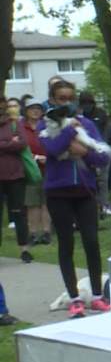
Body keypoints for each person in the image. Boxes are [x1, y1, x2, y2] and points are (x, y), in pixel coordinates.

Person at [40, 80, 111, 319]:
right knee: (66, 244)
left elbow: (102, 158)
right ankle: (74, 298)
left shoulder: (88, 124)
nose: (67, 102)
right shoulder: (46, 124)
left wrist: (85, 152)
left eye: (71, 98)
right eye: (62, 98)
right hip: (58, 192)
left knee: (91, 242)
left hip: (84, 191)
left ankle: (98, 296)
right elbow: (53, 149)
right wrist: (70, 129)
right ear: (52, 100)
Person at [0, 103, 31, 263]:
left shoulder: (14, 123)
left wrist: (7, 145)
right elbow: (15, 144)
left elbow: (22, 143)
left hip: (15, 176)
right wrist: (10, 143)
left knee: (19, 213)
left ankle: (24, 249)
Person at [19, 101, 50, 246]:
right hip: (30, 170)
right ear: (26, 111)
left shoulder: (47, 125)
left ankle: (46, 232)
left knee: (46, 202)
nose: (35, 111)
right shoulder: (21, 127)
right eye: (32, 108)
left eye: (38, 108)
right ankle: (33, 233)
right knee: (32, 203)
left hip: (48, 168)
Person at [78, 92, 111, 218]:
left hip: (100, 150)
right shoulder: (79, 117)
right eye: (84, 103)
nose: (87, 106)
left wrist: (101, 146)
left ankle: (104, 205)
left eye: (89, 103)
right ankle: (93, 206)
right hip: (84, 151)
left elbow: (106, 130)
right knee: (89, 180)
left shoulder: (100, 114)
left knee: (103, 180)